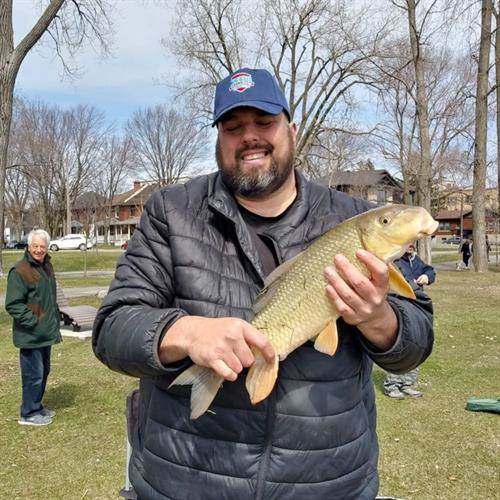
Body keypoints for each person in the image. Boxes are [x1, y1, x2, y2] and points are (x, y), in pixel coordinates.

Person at [93, 68, 434, 499]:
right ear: (219, 139)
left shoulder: (355, 218)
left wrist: (379, 317)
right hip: (187, 480)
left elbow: (417, 340)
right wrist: (183, 333)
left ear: (291, 130)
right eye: (233, 127)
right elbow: (112, 329)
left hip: (327, 484)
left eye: (264, 122)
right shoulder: (170, 212)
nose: (250, 136)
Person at [5, 229, 61, 426]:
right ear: (29, 247)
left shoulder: (46, 267)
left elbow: (48, 298)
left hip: (45, 332)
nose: (39, 250)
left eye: (42, 246)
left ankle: (36, 406)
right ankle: (28, 413)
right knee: (33, 374)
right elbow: (13, 304)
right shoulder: (20, 271)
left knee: (44, 371)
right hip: (30, 334)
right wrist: (33, 321)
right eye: (35, 246)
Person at [383, 243, 436, 399]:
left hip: (416, 307)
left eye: (413, 242)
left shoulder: (415, 259)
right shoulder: (395, 260)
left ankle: (408, 384)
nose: (411, 245)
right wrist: (413, 283)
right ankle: (392, 385)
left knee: (418, 344)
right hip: (400, 307)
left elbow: (429, 270)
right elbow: (400, 280)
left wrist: (427, 276)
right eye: (408, 243)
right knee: (400, 346)